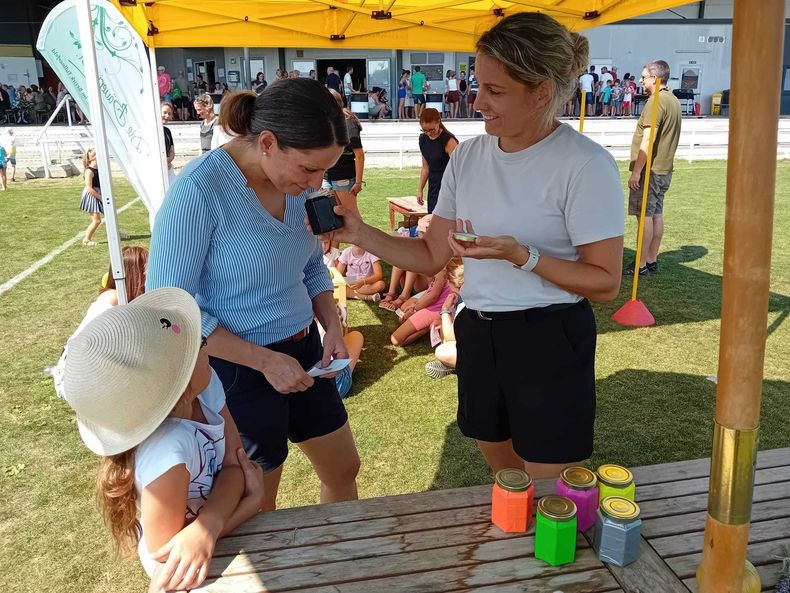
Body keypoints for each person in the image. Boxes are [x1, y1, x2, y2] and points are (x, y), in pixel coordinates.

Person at [321, 12, 623, 480]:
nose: (478, 102)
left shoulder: (585, 165)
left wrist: (522, 255)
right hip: (479, 331)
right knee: (505, 475)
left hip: (548, 339)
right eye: (477, 84)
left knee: (549, 486)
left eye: (495, 91)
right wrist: (360, 233)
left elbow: (605, 284)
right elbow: (429, 255)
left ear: (541, 91)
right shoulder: (471, 157)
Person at [146, 79, 360, 512]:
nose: (317, 182)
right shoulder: (200, 191)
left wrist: (332, 325)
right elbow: (168, 308)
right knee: (255, 500)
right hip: (237, 370)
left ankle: (339, 563)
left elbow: (311, 264)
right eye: (308, 169)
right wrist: (264, 361)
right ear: (267, 143)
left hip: (307, 354)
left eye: (325, 170)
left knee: (343, 469)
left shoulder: (298, 188)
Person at [60, 287, 264, 593]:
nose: (203, 344)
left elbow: (235, 465)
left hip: (218, 547)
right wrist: (248, 504)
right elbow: (168, 556)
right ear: (177, 385)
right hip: (187, 580)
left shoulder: (206, 390)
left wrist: (210, 524)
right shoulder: (168, 451)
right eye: (197, 345)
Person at [624, 60, 682, 276]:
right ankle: (651, 259)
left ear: (655, 79)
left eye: (644, 76)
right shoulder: (673, 100)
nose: (640, 80)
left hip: (650, 171)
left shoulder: (655, 101)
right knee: (656, 214)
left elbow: (648, 139)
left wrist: (637, 171)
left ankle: (640, 265)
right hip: (664, 170)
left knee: (645, 216)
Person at [390, 256, 454, 348]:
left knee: (395, 340)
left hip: (435, 309)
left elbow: (433, 296)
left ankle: (427, 327)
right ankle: (428, 325)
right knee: (402, 319)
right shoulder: (438, 265)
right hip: (434, 306)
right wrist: (414, 306)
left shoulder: (442, 268)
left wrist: (414, 310)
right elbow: (430, 290)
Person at [323, 89, 365, 214]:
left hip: (343, 175)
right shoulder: (327, 121)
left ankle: (360, 234)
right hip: (326, 175)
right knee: (329, 215)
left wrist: (358, 182)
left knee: (350, 214)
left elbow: (359, 155)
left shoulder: (349, 122)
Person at [425, 256, 464, 378]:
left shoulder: (466, 302)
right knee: (442, 326)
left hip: (484, 352)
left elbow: (450, 336)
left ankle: (455, 366)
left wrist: (445, 310)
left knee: (442, 351)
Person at [417, 108, 458, 213]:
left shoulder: (449, 141)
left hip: (448, 186)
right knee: (432, 217)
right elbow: (426, 168)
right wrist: (420, 190)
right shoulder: (423, 139)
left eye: (432, 130)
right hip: (433, 186)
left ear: (438, 122)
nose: (429, 133)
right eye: (425, 130)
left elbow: (458, 169)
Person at [79, 149, 103, 246]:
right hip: (92, 196)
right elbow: (89, 188)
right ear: (92, 157)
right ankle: (87, 239)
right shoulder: (89, 171)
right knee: (97, 220)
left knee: (111, 215)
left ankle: (117, 234)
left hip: (98, 194)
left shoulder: (98, 168)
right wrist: (100, 197)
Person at [160, 102, 176, 176]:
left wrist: (166, 162)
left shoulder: (167, 131)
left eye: (169, 114)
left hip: (167, 168)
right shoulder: (151, 130)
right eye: (165, 112)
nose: (167, 116)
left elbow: (172, 152)